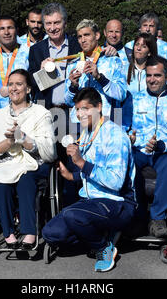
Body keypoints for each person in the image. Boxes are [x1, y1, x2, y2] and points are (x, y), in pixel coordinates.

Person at [42, 87, 137, 273]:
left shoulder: (115, 135)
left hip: (118, 203)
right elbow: (89, 171)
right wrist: (71, 175)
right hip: (91, 202)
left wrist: (80, 162)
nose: (80, 114)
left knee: (72, 215)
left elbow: (116, 182)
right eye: (77, 109)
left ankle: (103, 247)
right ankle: (101, 234)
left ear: (99, 107)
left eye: (85, 109)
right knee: (50, 234)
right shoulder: (87, 132)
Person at [0, 69, 57, 249]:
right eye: (11, 84)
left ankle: (29, 231)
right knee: (0, 181)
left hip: (33, 162)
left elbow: (49, 149)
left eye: (19, 84)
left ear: (28, 89)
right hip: (7, 162)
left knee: (25, 179)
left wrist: (22, 138)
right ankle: (8, 232)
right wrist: (9, 141)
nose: (14, 88)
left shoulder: (41, 113)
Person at [128, 56, 167, 238]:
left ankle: (157, 219)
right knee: (126, 162)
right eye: (148, 75)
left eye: (157, 75)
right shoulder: (135, 99)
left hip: (165, 152)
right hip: (139, 150)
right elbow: (124, 128)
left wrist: (162, 145)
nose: (152, 79)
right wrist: (131, 139)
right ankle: (136, 216)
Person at [65, 19, 126, 126]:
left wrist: (99, 78)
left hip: (105, 123)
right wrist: (73, 86)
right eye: (80, 36)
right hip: (79, 124)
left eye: (87, 35)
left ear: (97, 35)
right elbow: (68, 102)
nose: (83, 40)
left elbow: (121, 94)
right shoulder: (72, 65)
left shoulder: (113, 60)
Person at [28, 2, 82, 110]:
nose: (52, 28)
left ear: (65, 23)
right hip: (46, 110)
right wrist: (41, 72)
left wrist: (112, 50)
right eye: (48, 23)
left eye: (57, 23)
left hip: (74, 109)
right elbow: (31, 83)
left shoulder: (78, 45)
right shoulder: (36, 50)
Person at [0, 16, 29, 114]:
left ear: (17, 31)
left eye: (10, 28)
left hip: (24, 112)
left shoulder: (28, 53)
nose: (6, 32)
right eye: (2, 29)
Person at [120, 32, 158, 131]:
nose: (138, 48)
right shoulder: (122, 70)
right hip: (125, 124)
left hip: (148, 124)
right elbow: (116, 101)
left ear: (149, 52)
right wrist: (117, 126)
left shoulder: (155, 72)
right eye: (137, 45)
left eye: (143, 46)